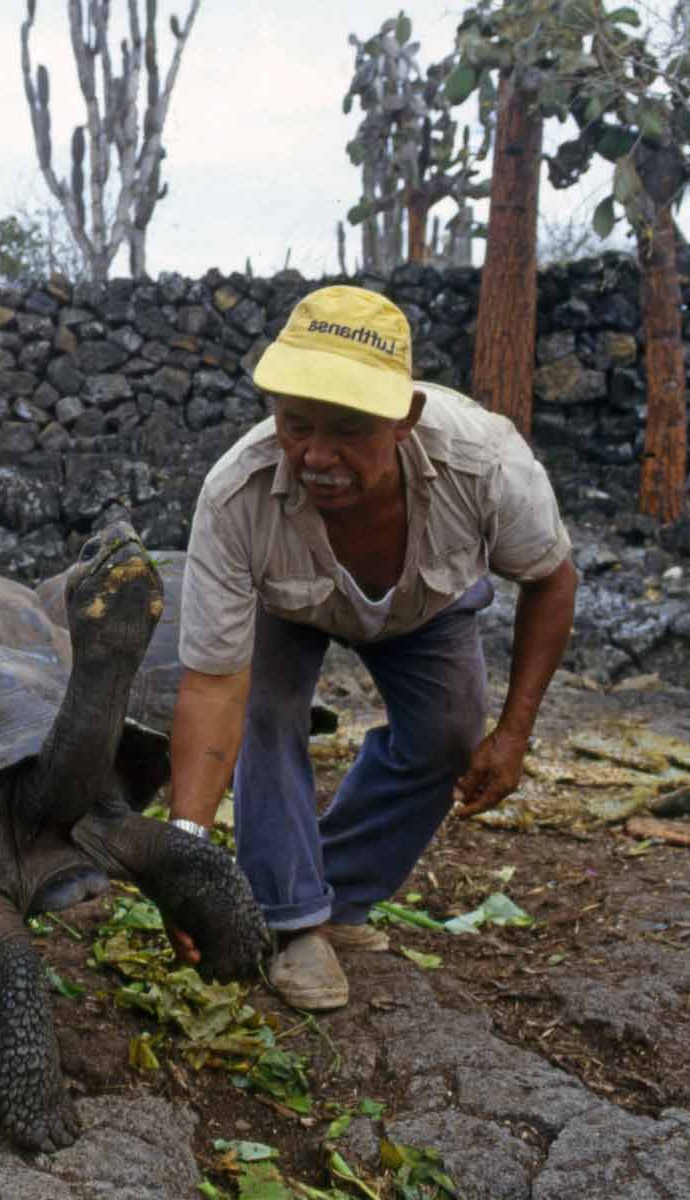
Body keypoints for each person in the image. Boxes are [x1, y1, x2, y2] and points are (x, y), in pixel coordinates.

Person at [163, 284, 578, 1011]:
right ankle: (291, 921)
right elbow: (212, 687)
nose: (317, 456)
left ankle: (335, 892)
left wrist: (514, 734)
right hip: (288, 608)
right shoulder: (237, 496)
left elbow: (551, 578)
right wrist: (185, 857)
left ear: (404, 418)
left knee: (449, 737)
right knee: (265, 715)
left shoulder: (484, 463)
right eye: (295, 425)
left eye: (349, 430)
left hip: (425, 607)